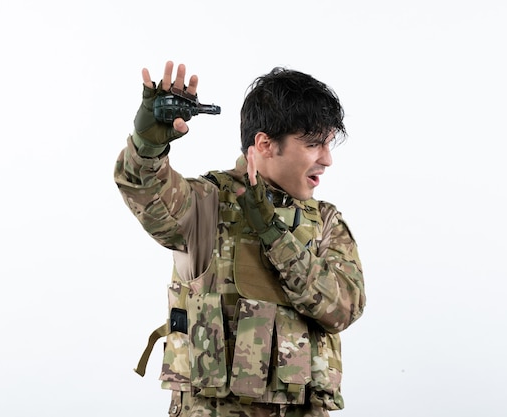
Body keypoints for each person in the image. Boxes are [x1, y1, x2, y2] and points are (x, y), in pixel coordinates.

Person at [114, 60, 366, 417]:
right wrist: (146, 145)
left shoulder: (324, 221)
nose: (326, 160)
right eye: (313, 145)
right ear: (265, 143)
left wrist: (273, 233)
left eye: (327, 145)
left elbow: (342, 309)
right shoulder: (207, 204)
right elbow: (147, 194)